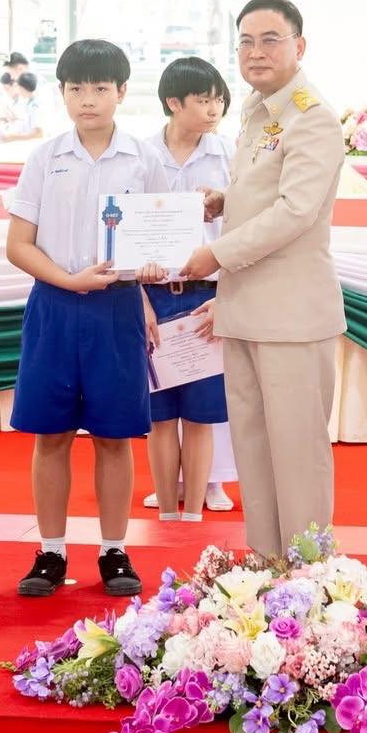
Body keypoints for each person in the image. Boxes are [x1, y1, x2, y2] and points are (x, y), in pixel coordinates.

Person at [179, 0, 343, 562]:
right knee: (254, 451)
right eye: (246, 41)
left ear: (300, 46)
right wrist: (225, 201)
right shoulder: (259, 109)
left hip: (293, 315)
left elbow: (297, 211)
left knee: (297, 456)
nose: (256, 52)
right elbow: (267, 193)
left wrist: (216, 253)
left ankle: (311, 582)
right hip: (246, 306)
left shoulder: (310, 114)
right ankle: (267, 573)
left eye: (270, 39)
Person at [5, 40, 168, 597]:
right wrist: (68, 279)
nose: (88, 99)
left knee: (113, 436)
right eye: (76, 88)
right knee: (49, 435)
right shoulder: (44, 158)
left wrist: (152, 269)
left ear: (123, 92)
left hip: (117, 309)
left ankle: (113, 550)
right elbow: (18, 244)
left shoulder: (145, 160)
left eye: (100, 88)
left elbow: (166, 239)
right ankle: (50, 551)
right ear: (62, 93)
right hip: (53, 303)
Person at [142, 56, 232, 524]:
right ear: (173, 103)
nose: (214, 107)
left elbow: (244, 234)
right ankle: (166, 510)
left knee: (200, 415)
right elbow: (119, 237)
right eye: (203, 99)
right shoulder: (139, 156)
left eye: (219, 98)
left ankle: (192, 515)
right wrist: (140, 303)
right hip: (154, 296)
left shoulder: (230, 154)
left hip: (204, 296)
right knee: (159, 415)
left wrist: (226, 298)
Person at [0, 72, 46, 142]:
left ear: (22, 88)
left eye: (18, 86)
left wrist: (13, 137)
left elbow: (39, 133)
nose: (18, 90)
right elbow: (29, 123)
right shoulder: (30, 102)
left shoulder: (35, 106)